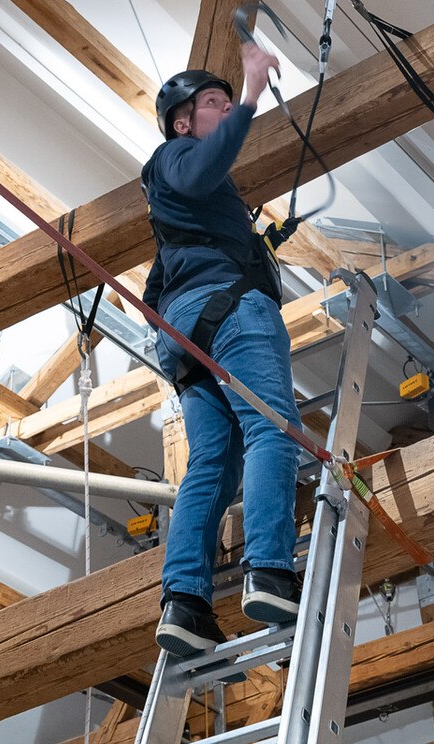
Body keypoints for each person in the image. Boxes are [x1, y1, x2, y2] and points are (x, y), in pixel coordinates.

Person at [142, 42, 306, 657]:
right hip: (231, 311)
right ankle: (269, 568)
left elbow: (159, 289)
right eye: (215, 103)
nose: (229, 107)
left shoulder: (180, 215)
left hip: (189, 331)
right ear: (184, 121)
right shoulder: (176, 158)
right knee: (272, 429)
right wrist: (253, 89)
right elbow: (200, 168)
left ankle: (184, 602)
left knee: (215, 460)